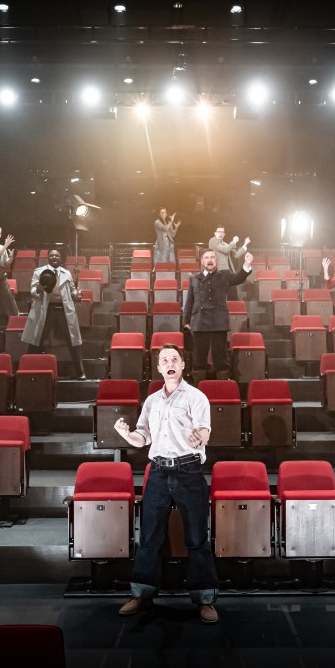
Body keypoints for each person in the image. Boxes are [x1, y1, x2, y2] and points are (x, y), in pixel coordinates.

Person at [114, 343, 219, 624]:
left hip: (188, 471)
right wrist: (127, 435)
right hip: (158, 472)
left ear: (183, 365)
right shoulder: (152, 401)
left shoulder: (196, 397)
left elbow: (205, 429)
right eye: (164, 360)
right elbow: (142, 437)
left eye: (175, 359)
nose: (170, 363)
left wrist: (201, 436)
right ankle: (141, 595)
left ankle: (205, 599)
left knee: (197, 538)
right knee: (149, 537)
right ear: (159, 368)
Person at [183, 247, 253, 382]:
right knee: (198, 360)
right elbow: (189, 303)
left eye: (212, 257)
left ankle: (222, 387)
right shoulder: (194, 279)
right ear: (202, 261)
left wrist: (247, 264)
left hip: (218, 323)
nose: (210, 260)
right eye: (206, 258)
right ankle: (198, 387)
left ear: (216, 260)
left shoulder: (224, 276)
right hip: (199, 323)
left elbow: (239, 278)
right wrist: (186, 322)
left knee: (221, 359)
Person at [21, 248, 86, 379]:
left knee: (73, 340)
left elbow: (72, 290)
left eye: (57, 255)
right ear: (48, 258)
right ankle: (27, 369)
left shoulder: (67, 273)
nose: (54, 257)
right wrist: (38, 289)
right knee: (36, 340)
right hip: (46, 310)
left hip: (63, 310)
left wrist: (76, 295)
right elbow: (33, 291)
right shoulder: (39, 272)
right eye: (52, 255)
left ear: (60, 258)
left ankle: (80, 372)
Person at [207, 224, 250, 301]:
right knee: (221, 297)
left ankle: (234, 307)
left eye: (222, 232)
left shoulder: (226, 244)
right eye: (219, 232)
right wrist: (234, 241)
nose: (220, 234)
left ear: (224, 234)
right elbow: (225, 250)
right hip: (219, 273)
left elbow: (236, 255)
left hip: (228, 273)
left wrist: (245, 244)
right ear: (215, 233)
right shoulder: (213, 241)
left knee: (233, 296)